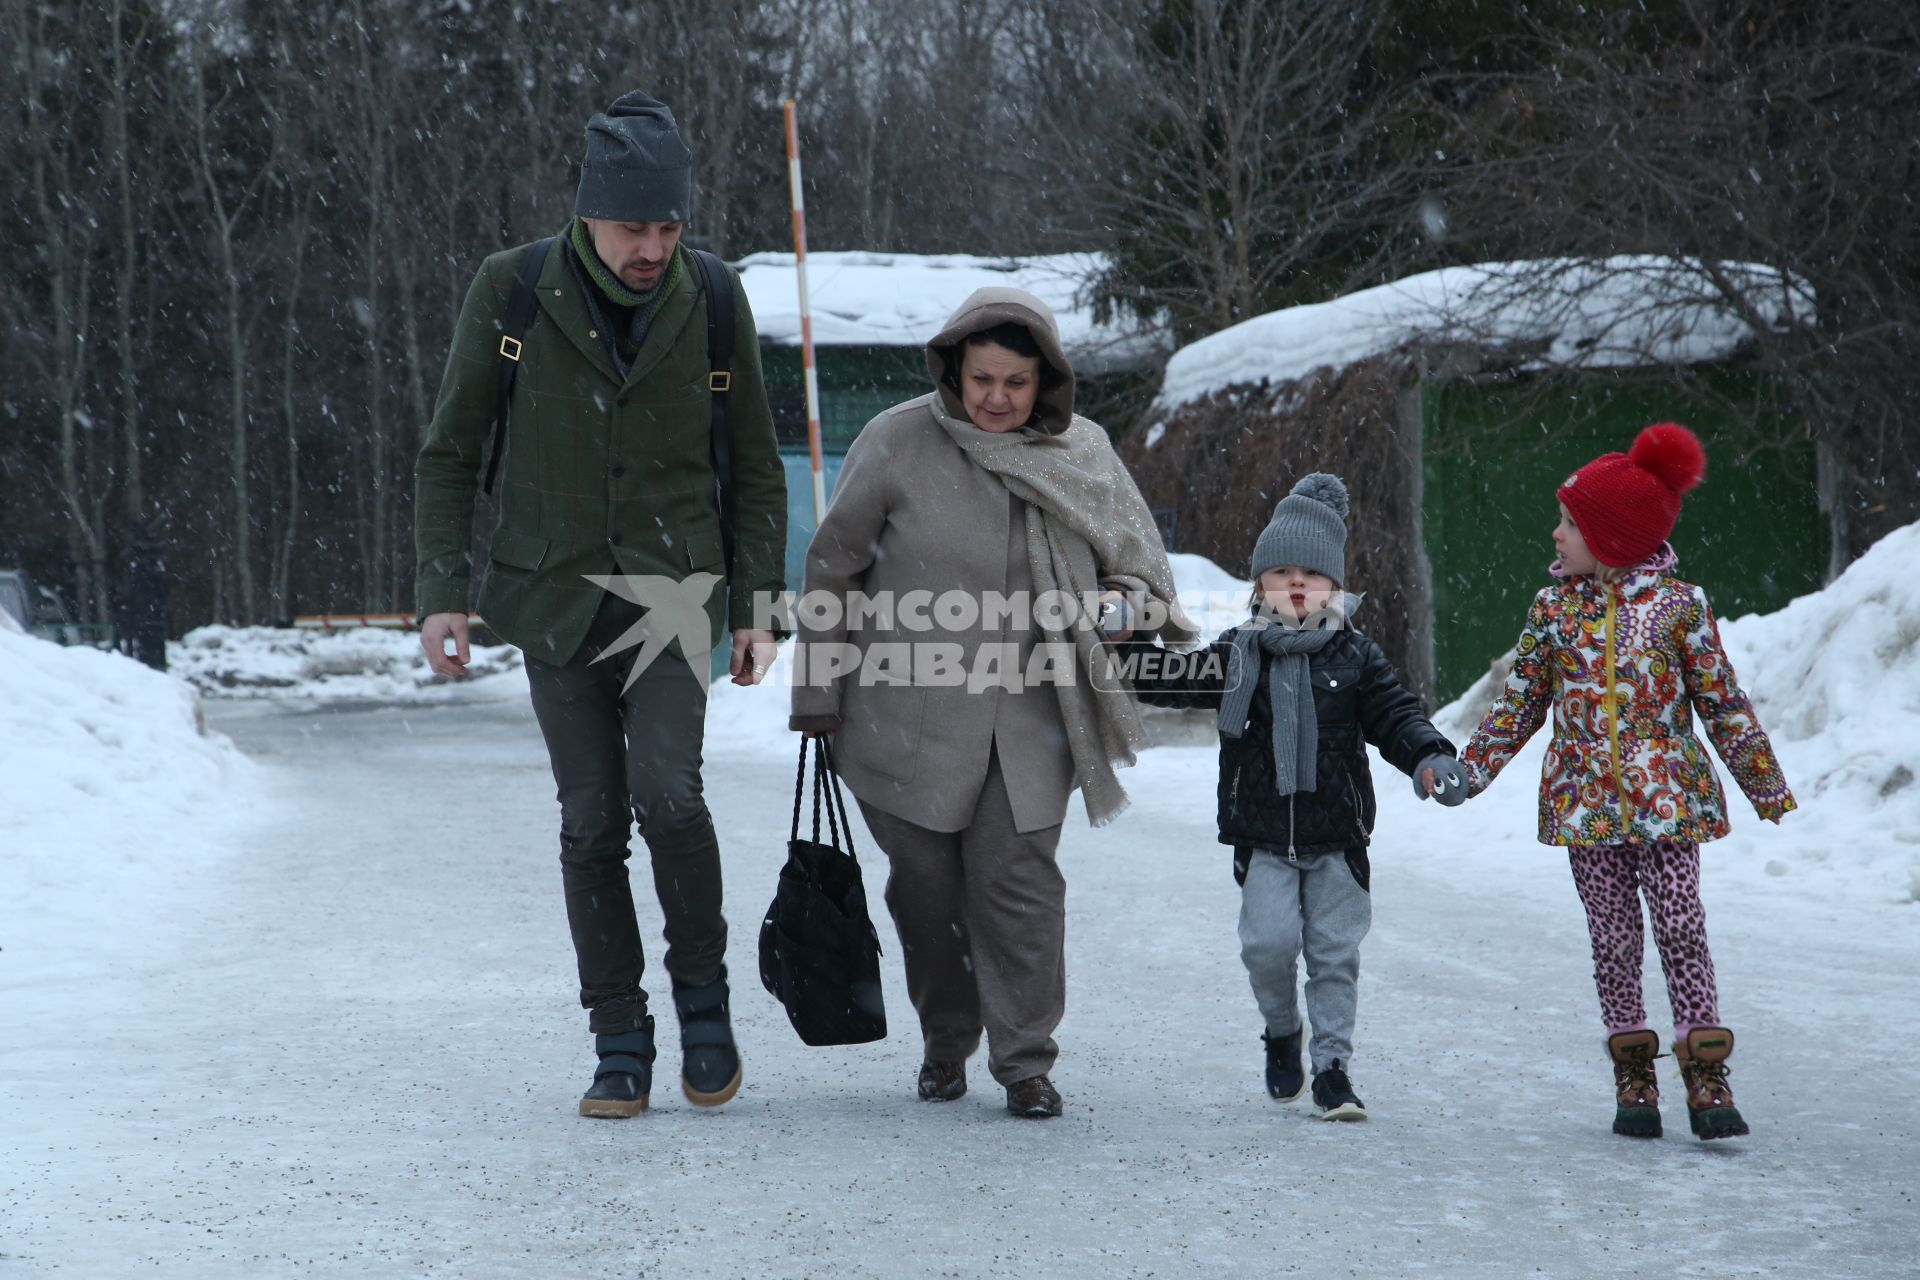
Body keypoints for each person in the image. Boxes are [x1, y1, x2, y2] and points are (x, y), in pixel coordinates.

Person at [412, 91, 787, 1119]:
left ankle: (704, 1011)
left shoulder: (711, 296)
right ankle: (618, 1033)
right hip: (553, 595)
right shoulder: (514, 290)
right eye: (636, 227)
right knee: (589, 823)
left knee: (670, 796)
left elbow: (755, 465)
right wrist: (444, 588)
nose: (654, 247)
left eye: (669, 226)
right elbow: (449, 452)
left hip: (674, 592)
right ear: (588, 214)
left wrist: (756, 601)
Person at [789, 287, 1195, 1118]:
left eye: (1016, 382)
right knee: (927, 893)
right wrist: (816, 692)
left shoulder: (1082, 452)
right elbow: (834, 568)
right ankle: (946, 1041)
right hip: (905, 715)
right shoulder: (898, 441)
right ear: (954, 371)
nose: (998, 398)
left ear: (1045, 381)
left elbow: (1142, 571)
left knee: (1020, 890)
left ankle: (1024, 1061)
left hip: (1034, 720)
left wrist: (1119, 607)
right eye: (983, 379)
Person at [1454, 423, 1795, 1141]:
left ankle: (1705, 1068)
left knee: (1680, 924)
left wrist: (1762, 782)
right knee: (1611, 938)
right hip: (1585, 805)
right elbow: (1519, 704)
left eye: (1570, 524)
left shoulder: (1681, 607)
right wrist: (1471, 769)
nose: (1555, 534)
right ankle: (1633, 1072)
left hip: (1668, 799)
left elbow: (1721, 701)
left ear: (1612, 537)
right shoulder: (1553, 611)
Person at [1124, 472, 1462, 1120]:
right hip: (1263, 836)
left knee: (1334, 955)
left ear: (1334, 584)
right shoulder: (1241, 655)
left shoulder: (1357, 656)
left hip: (1338, 836)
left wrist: (1428, 755)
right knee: (1267, 947)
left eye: (1311, 573)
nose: (1297, 584)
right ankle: (1283, 1031)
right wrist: (1128, 644)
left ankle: (1333, 1068)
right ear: (1260, 586)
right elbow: (1171, 678)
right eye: (1281, 573)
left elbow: (1397, 714)